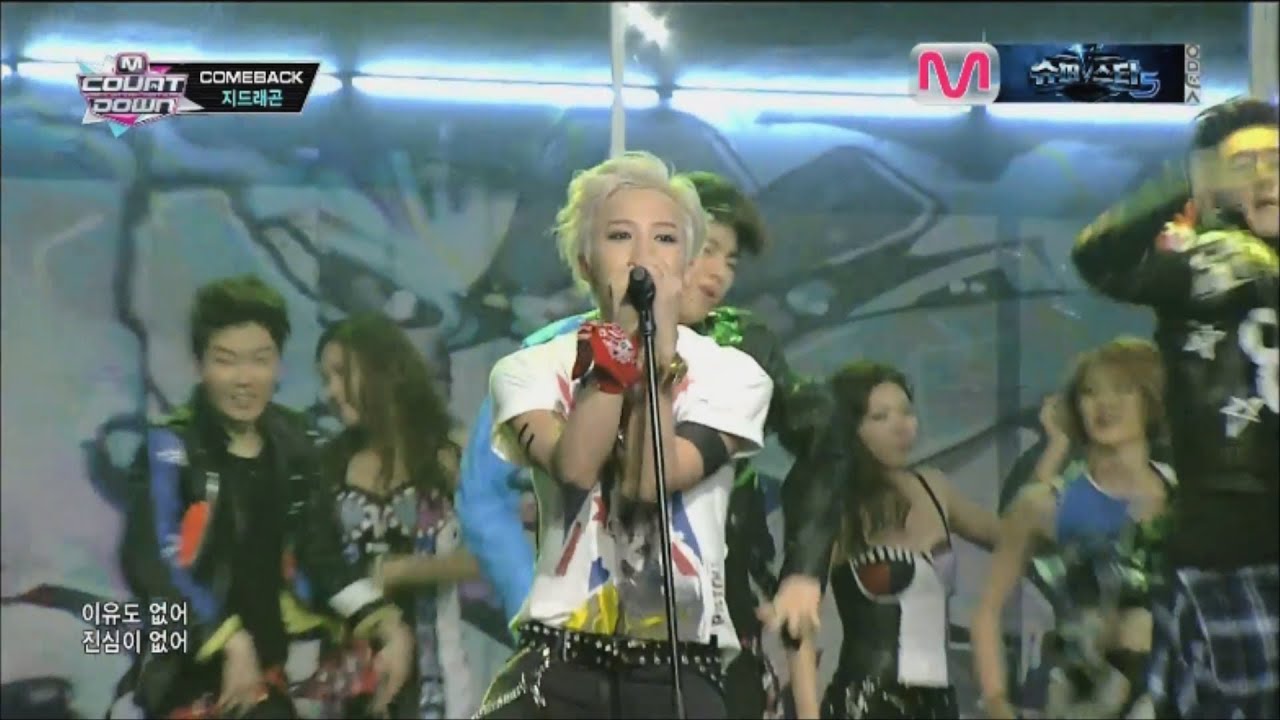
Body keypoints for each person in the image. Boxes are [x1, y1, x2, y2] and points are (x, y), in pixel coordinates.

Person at [458, 170, 816, 718]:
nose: (643, 255)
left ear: (685, 260)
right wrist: (618, 346)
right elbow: (577, 468)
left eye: (665, 238)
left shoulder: (736, 375)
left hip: (679, 668)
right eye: (621, 235)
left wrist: (658, 358)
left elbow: (650, 479)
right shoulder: (528, 368)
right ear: (586, 262)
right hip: (557, 662)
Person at [118, 275, 414, 719]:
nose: (244, 379)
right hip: (184, 679)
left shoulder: (294, 444)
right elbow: (152, 566)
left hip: (271, 677)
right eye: (226, 361)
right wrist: (227, 640)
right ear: (200, 365)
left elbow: (322, 554)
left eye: (260, 360)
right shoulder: (169, 449)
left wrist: (383, 620)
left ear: (278, 364)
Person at [1071, 97, 1278, 719]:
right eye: (1244, 164)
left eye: (1276, 160)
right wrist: (1183, 187)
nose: (1264, 176)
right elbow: (1099, 257)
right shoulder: (1202, 259)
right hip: (1231, 530)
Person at [775, 361, 999, 719]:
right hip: (868, 701)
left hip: (939, 703)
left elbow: (1015, 536)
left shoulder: (934, 487)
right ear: (849, 428)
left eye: (907, 412)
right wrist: (807, 714)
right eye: (880, 417)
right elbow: (797, 624)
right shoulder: (837, 507)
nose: (901, 426)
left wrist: (1055, 457)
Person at [971, 338, 1175, 720]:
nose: (1105, 404)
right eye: (1090, 392)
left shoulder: (1184, 497)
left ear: (1150, 400)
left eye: (1122, 389)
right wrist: (998, 704)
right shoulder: (1044, 504)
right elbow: (987, 611)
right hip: (1084, 700)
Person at [312, 312, 484, 718]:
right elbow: (314, 563)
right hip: (349, 683)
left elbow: (492, 555)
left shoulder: (449, 455)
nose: (331, 391)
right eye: (325, 379)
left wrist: (400, 571)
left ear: (383, 368)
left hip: (437, 684)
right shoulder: (326, 465)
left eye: (342, 373)